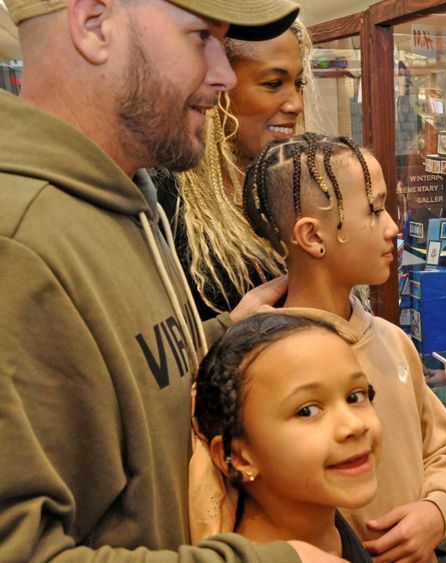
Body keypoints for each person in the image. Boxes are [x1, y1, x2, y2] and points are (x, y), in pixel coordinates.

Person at [0, 0, 345, 561]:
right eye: (198, 37)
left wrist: (222, 337)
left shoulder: (126, 199)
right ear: (93, 26)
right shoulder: (16, 241)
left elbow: (126, 385)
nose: (224, 74)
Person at [237, 133, 446, 561]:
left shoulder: (393, 341)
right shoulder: (259, 363)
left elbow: (443, 449)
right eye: (374, 209)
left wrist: (437, 511)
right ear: (312, 236)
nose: (392, 227)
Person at [157, 20, 313, 319]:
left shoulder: (304, 185)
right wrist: (232, 328)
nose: (295, 104)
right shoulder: (165, 199)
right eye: (273, 84)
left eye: (299, 84)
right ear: (216, 83)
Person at [195, 312, 380, 561]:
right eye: (307, 411)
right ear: (238, 456)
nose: (354, 425)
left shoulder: (326, 527)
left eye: (355, 396)